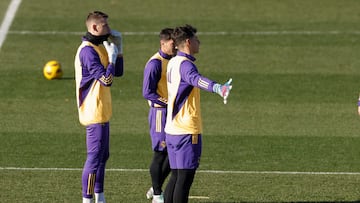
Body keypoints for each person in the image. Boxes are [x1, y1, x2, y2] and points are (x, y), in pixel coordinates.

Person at [163, 24, 232, 203]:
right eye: (196, 39)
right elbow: (196, 79)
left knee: (176, 177)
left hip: (172, 130)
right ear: (187, 42)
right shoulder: (186, 65)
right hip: (186, 130)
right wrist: (218, 88)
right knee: (184, 181)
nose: (198, 42)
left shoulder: (173, 62)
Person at [74, 11, 124, 203]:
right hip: (93, 110)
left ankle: (99, 197)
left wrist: (119, 50)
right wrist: (111, 60)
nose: (109, 29)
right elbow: (106, 80)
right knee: (94, 158)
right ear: (94, 27)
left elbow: (118, 73)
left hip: (102, 110)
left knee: (103, 156)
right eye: (105, 25)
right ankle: (87, 200)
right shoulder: (87, 51)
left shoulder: (100, 47)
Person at [142, 28, 175, 203]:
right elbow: (147, 92)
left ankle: (156, 186)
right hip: (160, 114)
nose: (176, 46)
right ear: (163, 43)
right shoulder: (155, 63)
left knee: (174, 153)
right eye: (172, 43)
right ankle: (156, 194)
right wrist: (168, 103)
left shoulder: (175, 60)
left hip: (172, 113)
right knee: (160, 153)